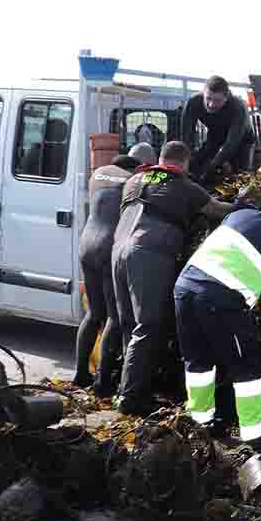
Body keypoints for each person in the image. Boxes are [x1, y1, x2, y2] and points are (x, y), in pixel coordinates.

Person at [112, 141, 236, 415]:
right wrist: (244, 205)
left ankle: (127, 388)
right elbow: (216, 210)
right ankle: (132, 398)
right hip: (148, 251)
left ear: (160, 157)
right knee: (148, 326)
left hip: (118, 249)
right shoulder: (182, 185)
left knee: (129, 325)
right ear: (185, 162)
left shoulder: (135, 179)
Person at [174, 196, 261, 443]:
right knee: (246, 367)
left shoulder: (240, 215)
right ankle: (256, 436)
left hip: (184, 289)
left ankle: (200, 424)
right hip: (220, 299)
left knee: (198, 362)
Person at [73, 143, 156, 395]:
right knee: (114, 317)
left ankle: (80, 373)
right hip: (108, 247)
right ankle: (103, 382)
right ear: (142, 166)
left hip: (86, 244)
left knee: (93, 313)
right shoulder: (133, 180)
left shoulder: (99, 172)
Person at [177, 75, 254, 183]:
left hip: (242, 140)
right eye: (208, 98)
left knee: (240, 175)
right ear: (203, 93)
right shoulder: (194, 102)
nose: (211, 104)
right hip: (215, 135)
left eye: (217, 100)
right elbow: (186, 135)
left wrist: (212, 166)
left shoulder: (238, 107)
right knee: (198, 163)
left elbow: (231, 144)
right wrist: (188, 161)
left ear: (226, 98)